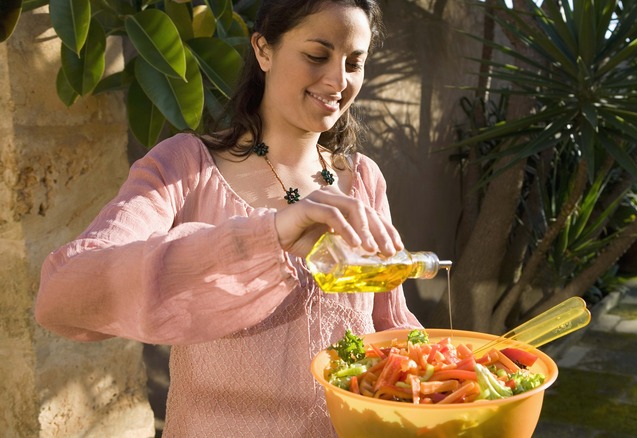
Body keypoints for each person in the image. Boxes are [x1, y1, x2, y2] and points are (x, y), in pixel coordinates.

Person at [34, 0, 422, 436]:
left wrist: (459, 385)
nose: (338, 80)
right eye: (317, 55)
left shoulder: (364, 180)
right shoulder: (183, 168)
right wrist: (267, 235)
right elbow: (62, 295)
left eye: (355, 63)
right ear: (263, 50)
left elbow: (390, 330)